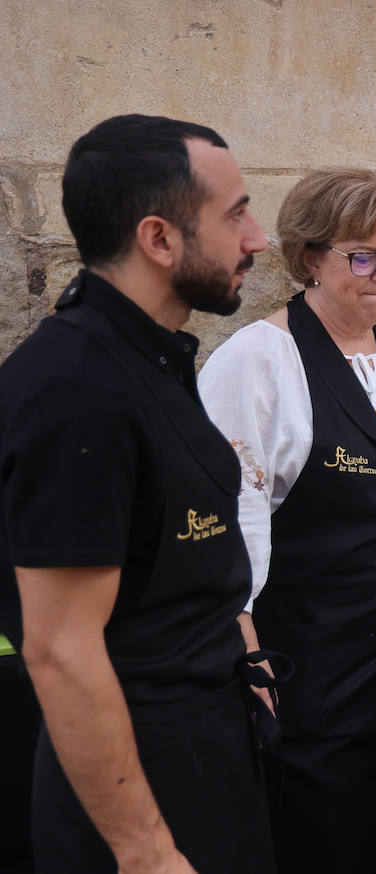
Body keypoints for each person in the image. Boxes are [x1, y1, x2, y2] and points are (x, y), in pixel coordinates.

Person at [0, 114, 275, 873]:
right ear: (160, 239)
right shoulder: (76, 389)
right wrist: (148, 852)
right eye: (235, 214)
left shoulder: (154, 356)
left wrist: (244, 656)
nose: (257, 238)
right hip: (137, 814)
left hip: (206, 763)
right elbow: (58, 649)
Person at [198, 168, 376, 874]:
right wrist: (245, 655)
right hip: (306, 665)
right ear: (308, 260)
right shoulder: (257, 362)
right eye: (361, 256)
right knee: (326, 835)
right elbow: (232, 523)